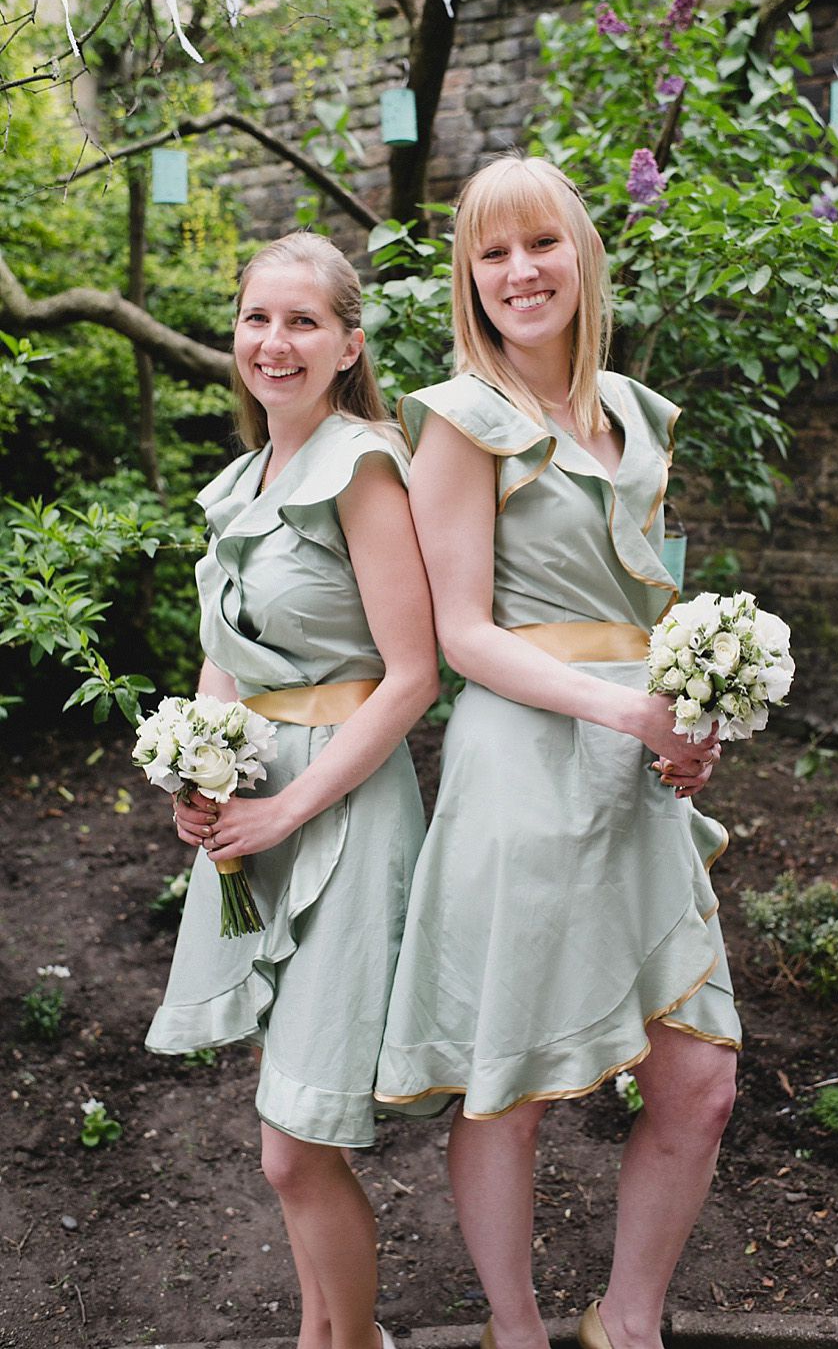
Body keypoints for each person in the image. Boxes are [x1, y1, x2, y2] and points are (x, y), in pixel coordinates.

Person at [374, 155, 741, 1349]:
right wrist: (624, 709)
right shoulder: (459, 423)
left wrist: (692, 709)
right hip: (524, 769)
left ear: (584, 255)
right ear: (469, 281)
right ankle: (515, 1327)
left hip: (639, 767)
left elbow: (654, 599)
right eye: (492, 252)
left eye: (541, 243)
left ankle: (626, 1321)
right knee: (513, 1081)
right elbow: (464, 634)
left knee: (700, 1079)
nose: (520, 271)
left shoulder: (638, 417)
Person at [146, 231, 438, 1349]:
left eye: (303, 321)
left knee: (295, 1142)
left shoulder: (363, 467)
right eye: (257, 318)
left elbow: (413, 676)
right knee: (285, 1125)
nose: (275, 341)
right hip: (251, 807)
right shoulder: (242, 480)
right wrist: (202, 775)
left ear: (347, 344)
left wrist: (284, 806)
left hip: (340, 806)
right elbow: (226, 657)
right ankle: (323, 1337)